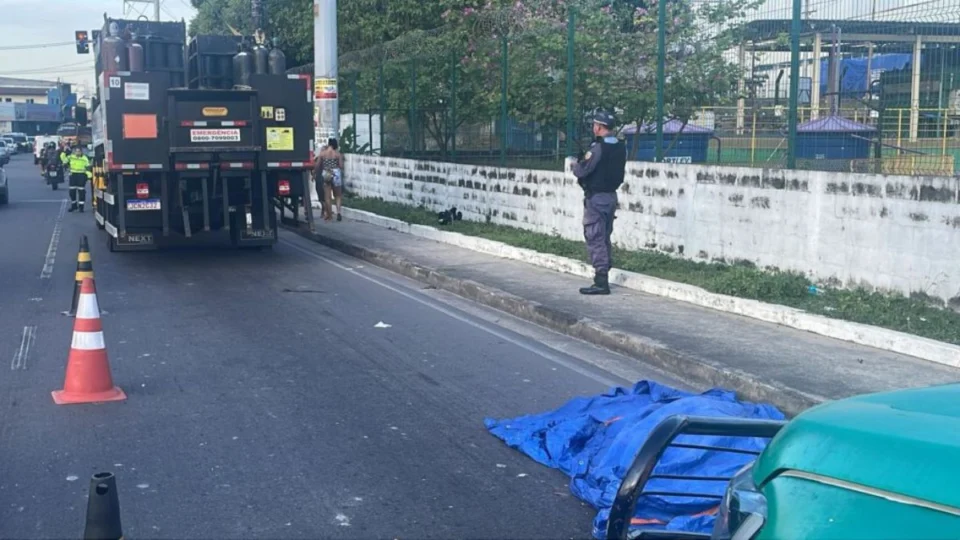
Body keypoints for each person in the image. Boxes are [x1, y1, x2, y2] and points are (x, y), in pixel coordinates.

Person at [571, 110, 626, 295]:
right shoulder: (620, 146)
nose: (594, 128)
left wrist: (575, 164)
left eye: (595, 125)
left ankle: (601, 281)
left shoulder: (597, 148)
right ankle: (604, 272)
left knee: (595, 236)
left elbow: (581, 171)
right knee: (604, 237)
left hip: (597, 198)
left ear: (599, 127)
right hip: (611, 196)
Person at [313, 138, 345, 221]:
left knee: (327, 196)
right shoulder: (338, 154)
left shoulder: (323, 154)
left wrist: (314, 173)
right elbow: (341, 166)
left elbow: (317, 166)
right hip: (336, 173)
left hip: (326, 172)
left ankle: (329, 215)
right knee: (338, 195)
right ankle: (338, 212)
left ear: (329, 144)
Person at [65, 145, 92, 212]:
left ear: (81, 152)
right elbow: (64, 160)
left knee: (81, 191)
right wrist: (64, 152)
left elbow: (88, 167)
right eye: (76, 151)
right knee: (72, 192)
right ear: (74, 152)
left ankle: (81, 207)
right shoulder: (71, 157)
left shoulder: (85, 158)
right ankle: (74, 205)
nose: (77, 153)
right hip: (73, 175)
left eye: (79, 151)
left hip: (81, 175)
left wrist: (89, 176)